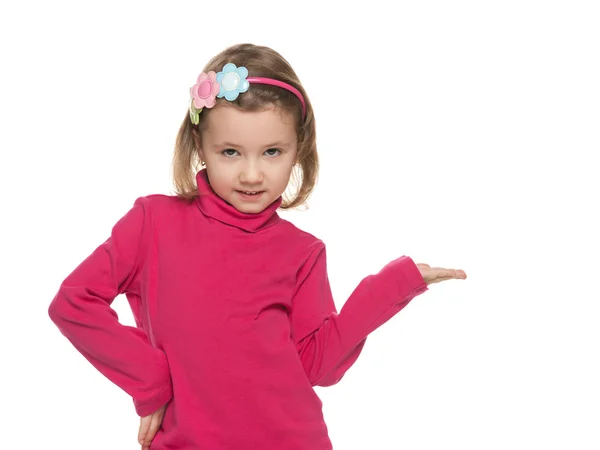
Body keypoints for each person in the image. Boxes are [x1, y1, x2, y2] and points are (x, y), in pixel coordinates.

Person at [48, 43, 467, 450]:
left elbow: (317, 365)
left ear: (297, 151)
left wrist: (393, 286)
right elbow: (74, 302)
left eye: (272, 152)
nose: (252, 174)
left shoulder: (303, 252)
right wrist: (151, 381)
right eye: (230, 152)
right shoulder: (152, 223)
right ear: (200, 147)